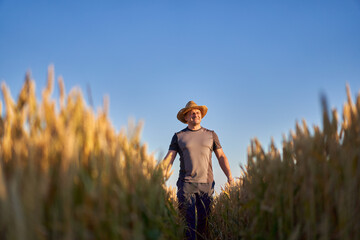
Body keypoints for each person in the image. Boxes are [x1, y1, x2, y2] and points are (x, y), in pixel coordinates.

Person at [163, 101, 233, 240]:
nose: (196, 115)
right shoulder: (178, 136)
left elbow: (221, 156)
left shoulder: (211, 135)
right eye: (192, 113)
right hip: (186, 185)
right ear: (186, 117)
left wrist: (230, 176)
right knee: (187, 226)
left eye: (198, 113)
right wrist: (158, 176)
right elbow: (169, 158)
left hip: (206, 184)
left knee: (204, 224)